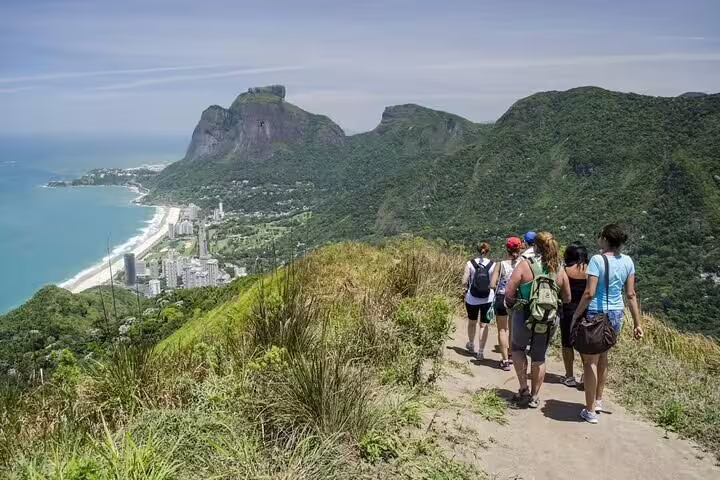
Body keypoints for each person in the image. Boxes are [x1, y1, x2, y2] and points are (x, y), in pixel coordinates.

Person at [572, 224, 644, 424]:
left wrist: (576, 315)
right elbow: (630, 294)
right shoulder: (628, 261)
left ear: (605, 239)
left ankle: (590, 411)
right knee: (603, 356)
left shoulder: (597, 260)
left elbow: (589, 293)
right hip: (616, 315)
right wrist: (638, 324)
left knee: (589, 362)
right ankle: (598, 400)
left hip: (596, 313)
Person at [504, 232, 571, 408]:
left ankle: (523, 389)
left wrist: (512, 306)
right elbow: (567, 298)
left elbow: (509, 292)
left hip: (524, 314)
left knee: (518, 349)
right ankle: (535, 396)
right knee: (539, 357)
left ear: (535, 246)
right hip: (547, 319)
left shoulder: (525, 266)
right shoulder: (559, 270)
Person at [490, 236, 523, 371]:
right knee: (513, 330)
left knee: (502, 330)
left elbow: (492, 283)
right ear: (520, 249)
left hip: (501, 297)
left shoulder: (501, 264)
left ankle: (504, 361)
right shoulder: (524, 264)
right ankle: (511, 356)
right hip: (516, 298)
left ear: (507, 249)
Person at [559, 242, 589, 387]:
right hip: (586, 310)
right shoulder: (591, 271)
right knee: (584, 344)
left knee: (566, 343)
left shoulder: (565, 270)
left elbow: (562, 290)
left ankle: (569, 376)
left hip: (568, 309)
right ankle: (586, 376)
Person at [462, 242, 496, 360]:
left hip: (472, 298)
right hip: (488, 298)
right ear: (488, 251)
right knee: (484, 325)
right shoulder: (494, 265)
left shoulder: (470, 263)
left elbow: (464, 281)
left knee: (472, 322)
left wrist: (466, 289)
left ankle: (471, 345)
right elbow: (494, 283)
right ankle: (480, 352)